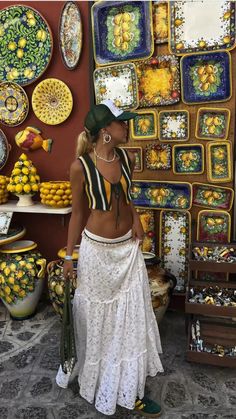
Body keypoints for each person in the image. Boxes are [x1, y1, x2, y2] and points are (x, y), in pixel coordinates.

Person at [62, 99, 163, 417]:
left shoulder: (125, 157)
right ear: (106, 131)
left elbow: (128, 196)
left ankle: (128, 386)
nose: (127, 127)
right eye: (122, 123)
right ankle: (94, 377)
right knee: (98, 318)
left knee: (129, 318)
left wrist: (136, 221)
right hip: (97, 253)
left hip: (126, 250)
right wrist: (68, 256)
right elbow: (78, 213)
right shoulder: (80, 167)